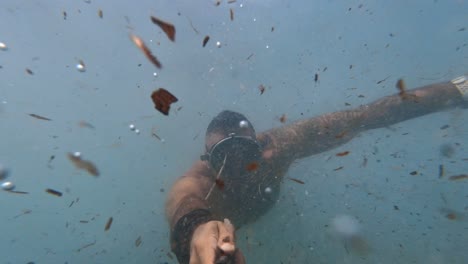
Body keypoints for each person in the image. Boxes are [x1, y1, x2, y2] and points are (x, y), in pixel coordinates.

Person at [165, 75, 468, 264]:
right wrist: (197, 230)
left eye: (244, 154)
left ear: (260, 146)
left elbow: (366, 115)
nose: (237, 170)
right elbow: (182, 203)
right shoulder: (197, 182)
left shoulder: (279, 147)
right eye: (223, 159)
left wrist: (457, 90)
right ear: (207, 161)